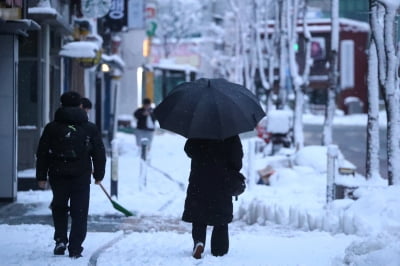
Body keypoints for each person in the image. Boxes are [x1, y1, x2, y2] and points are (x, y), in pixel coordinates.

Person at [36, 91, 106, 259]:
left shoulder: (51, 127)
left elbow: (43, 153)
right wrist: (99, 174)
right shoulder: (89, 127)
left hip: (58, 173)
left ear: (61, 105)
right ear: (80, 106)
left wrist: (41, 176)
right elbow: (99, 152)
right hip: (81, 174)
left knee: (59, 207)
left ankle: (60, 240)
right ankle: (75, 247)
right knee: (80, 211)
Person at [182, 135, 243, 259]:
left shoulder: (199, 130)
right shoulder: (230, 134)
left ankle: (199, 241)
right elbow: (237, 161)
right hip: (222, 180)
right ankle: (219, 249)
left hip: (199, 179)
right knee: (221, 216)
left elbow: (189, 149)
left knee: (198, 215)